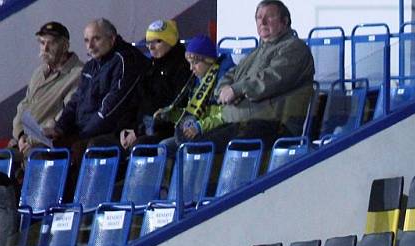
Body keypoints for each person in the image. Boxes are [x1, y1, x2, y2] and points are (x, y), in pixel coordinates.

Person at [191, 0, 314, 152]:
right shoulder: (256, 52)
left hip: (274, 125)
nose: (262, 22)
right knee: (190, 145)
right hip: (240, 122)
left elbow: (271, 80)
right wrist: (224, 89)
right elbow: (231, 74)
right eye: (258, 17)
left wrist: (237, 90)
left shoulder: (295, 48)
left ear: (285, 21)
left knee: (202, 149)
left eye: (269, 17)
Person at [44, 19, 147, 150]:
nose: (90, 46)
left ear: (112, 38)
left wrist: (81, 136)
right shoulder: (91, 65)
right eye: (86, 40)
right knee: (45, 147)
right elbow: (75, 102)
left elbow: (111, 108)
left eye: (96, 39)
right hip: (84, 131)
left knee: (77, 148)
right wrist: (59, 129)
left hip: (111, 132)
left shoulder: (125, 60)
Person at [8, 22, 82, 163]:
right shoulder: (39, 72)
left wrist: (31, 140)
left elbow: (65, 117)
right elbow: (23, 107)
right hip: (22, 142)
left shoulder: (78, 74)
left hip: (45, 145)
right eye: (42, 43)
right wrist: (20, 135)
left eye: (51, 43)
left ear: (65, 46)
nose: (45, 48)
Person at [143, 35, 230, 152]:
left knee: (188, 149)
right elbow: (191, 116)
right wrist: (171, 115)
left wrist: (200, 127)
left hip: (215, 133)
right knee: (164, 147)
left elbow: (226, 115)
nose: (191, 68)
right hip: (197, 133)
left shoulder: (222, 80)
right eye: (189, 63)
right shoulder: (196, 82)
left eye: (194, 63)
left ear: (208, 60)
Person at [117, 20, 191, 150]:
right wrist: (125, 128)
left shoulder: (183, 68)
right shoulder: (148, 67)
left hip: (164, 130)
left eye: (157, 41)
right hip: (141, 128)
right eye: (148, 42)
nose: (151, 47)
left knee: (140, 147)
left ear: (171, 41)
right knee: (101, 145)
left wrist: (138, 131)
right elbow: (135, 102)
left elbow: (172, 107)